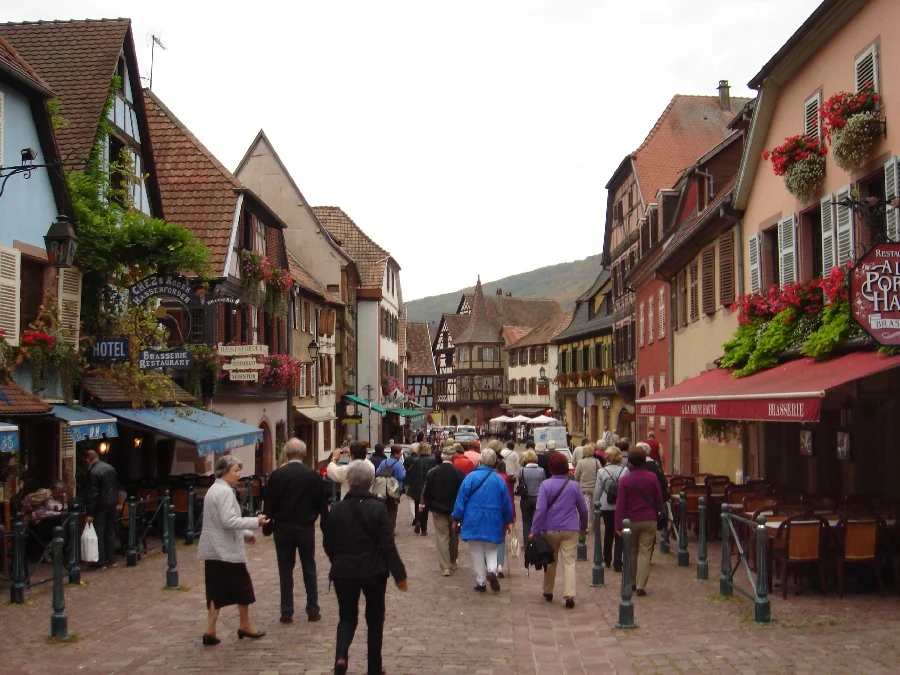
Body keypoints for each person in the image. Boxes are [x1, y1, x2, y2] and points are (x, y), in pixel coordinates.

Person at [324, 460, 408, 675]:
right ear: (371, 482)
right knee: (375, 618)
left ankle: (341, 657)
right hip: (373, 571)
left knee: (346, 616)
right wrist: (400, 575)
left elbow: (328, 543)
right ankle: (374, 667)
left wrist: (337, 559)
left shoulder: (336, 508)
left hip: (344, 571)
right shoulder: (378, 507)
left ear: (349, 482)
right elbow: (387, 544)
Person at [198, 456, 269, 645]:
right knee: (243, 587)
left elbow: (220, 522)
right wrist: (255, 522)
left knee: (215, 590)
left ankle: (210, 630)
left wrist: (245, 533)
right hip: (225, 550)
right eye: (235, 470)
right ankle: (245, 625)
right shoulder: (224, 492)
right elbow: (228, 522)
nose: (239, 474)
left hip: (214, 548)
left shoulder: (214, 489)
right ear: (224, 472)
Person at [263, 438, 328, 624]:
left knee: (285, 569)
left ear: (287, 453)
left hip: (282, 528)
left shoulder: (277, 475)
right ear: (303, 453)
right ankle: (313, 609)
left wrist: (267, 526)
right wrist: (324, 523)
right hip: (305, 528)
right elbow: (322, 503)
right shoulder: (312, 476)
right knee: (309, 567)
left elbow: (269, 503)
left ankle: (286, 611)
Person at [451, 448, 514, 593]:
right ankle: (492, 570)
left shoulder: (470, 478)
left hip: (473, 519)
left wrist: (456, 518)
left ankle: (481, 582)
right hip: (494, 519)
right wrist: (508, 520)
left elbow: (461, 499)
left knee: (477, 551)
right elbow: (507, 502)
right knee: (492, 548)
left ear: (481, 461)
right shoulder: (499, 480)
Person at [529, 452, 587, 609]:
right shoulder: (574, 486)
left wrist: (534, 530)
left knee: (551, 560)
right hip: (570, 529)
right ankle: (569, 595)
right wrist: (583, 526)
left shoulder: (546, 485)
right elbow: (583, 509)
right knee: (569, 562)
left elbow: (540, 510)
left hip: (550, 529)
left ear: (550, 468)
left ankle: (548, 590)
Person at [615, 445, 663, 596]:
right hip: (649, 519)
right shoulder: (652, 477)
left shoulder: (625, 480)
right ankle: (642, 584)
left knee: (631, 551)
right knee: (645, 552)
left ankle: (632, 582)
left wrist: (618, 524)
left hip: (631, 520)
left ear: (629, 461)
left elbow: (620, 504)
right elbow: (659, 500)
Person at [423, 444, 465, 576]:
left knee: (442, 537)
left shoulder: (433, 472)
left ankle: (445, 566)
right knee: (454, 536)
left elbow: (427, 492)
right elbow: (462, 494)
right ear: (453, 458)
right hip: (455, 510)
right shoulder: (459, 473)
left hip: (438, 509)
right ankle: (452, 561)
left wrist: (428, 506)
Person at [593, 445, 628, 572]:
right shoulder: (625, 470)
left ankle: (607, 559)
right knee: (620, 532)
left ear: (607, 457)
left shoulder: (602, 471)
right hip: (621, 505)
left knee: (608, 532)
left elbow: (598, 490)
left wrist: (595, 505)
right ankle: (618, 562)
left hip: (606, 505)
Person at [84, 449, 119, 569]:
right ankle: (111, 559)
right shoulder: (110, 468)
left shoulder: (93, 472)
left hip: (100, 506)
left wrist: (90, 513)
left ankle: (100, 561)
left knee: (98, 532)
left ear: (88, 459)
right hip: (112, 503)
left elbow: (92, 494)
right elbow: (115, 487)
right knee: (110, 531)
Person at [374, 445, 406, 533]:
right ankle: (390, 529)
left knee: (384, 508)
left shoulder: (384, 462)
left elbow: (377, 472)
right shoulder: (398, 464)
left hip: (383, 488)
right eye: (400, 453)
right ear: (396, 454)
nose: (400, 455)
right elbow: (402, 476)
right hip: (394, 489)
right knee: (393, 509)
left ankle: (383, 527)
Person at [406, 442, 436, 536]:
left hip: (417, 485)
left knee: (416, 504)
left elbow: (412, 474)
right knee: (425, 507)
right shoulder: (432, 460)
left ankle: (418, 521)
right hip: (427, 486)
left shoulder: (415, 460)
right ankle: (424, 528)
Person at [574, 443, 603, 533]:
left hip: (583, 488)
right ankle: (592, 525)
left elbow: (576, 476)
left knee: (586, 507)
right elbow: (600, 473)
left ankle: (585, 525)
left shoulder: (580, 462)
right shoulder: (596, 461)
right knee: (594, 507)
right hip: (594, 487)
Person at [518, 449, 544, 542]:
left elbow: (520, 482)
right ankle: (536, 540)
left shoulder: (522, 471)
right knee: (536, 520)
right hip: (538, 498)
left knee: (526, 521)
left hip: (526, 498)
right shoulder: (541, 470)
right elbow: (543, 483)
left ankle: (526, 541)